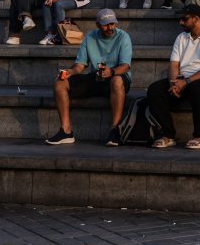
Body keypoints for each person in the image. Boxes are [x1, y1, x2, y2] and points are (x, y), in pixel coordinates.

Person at [44, 9, 133, 146]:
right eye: (105, 25)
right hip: (97, 77)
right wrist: (70, 72)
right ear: (97, 25)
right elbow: (80, 65)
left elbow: (125, 66)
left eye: (112, 24)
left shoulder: (123, 36)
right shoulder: (90, 37)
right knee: (60, 83)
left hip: (117, 76)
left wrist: (111, 72)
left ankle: (114, 130)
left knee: (116, 81)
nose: (110, 28)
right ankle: (66, 131)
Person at [147, 4, 200, 150]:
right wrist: (173, 83)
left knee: (198, 87)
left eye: (184, 19)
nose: (180, 22)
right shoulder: (181, 37)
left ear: (196, 19)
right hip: (182, 80)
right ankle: (168, 134)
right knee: (155, 89)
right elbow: (174, 65)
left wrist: (186, 82)